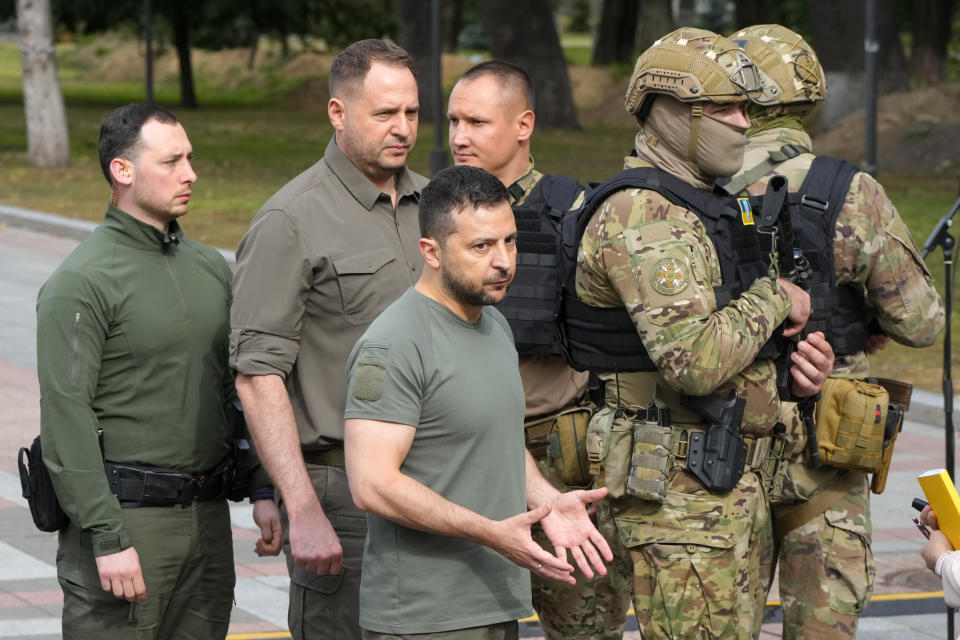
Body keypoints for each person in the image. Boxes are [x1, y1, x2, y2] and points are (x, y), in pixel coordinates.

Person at [573, 28, 836, 639]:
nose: (743, 124)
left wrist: (798, 365)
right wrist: (778, 297)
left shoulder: (705, 205)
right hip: (679, 501)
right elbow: (692, 359)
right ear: (670, 114)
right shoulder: (644, 214)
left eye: (746, 108)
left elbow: (730, 330)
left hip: (722, 491)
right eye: (723, 107)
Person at [726, 24, 946, 640]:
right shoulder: (848, 192)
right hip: (825, 446)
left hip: (715, 447)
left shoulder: (687, 189)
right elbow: (922, 321)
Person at [36, 102, 279, 640]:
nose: (190, 174)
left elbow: (233, 388)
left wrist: (264, 488)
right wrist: (107, 536)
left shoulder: (212, 268)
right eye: (171, 161)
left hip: (209, 522)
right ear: (123, 171)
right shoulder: (80, 281)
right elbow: (64, 414)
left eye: (190, 158)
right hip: (128, 523)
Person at [343, 164, 613, 638]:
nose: (504, 261)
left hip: (494, 602)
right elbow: (372, 484)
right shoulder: (394, 343)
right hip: (424, 618)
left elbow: (499, 441)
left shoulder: (495, 324)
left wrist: (549, 502)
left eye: (509, 240)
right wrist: (492, 533)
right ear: (431, 251)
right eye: (481, 246)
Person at [229, 39, 425, 639]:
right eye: (384, 114)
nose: (403, 129)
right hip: (343, 493)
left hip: (437, 480)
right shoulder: (290, 221)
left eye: (413, 113)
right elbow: (257, 377)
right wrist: (304, 509)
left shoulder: (436, 204)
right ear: (338, 113)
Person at [448, 60, 630, 640]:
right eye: (453, 121)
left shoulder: (579, 213)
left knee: (584, 626)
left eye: (476, 121)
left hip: (558, 454)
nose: (458, 136)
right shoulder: (432, 213)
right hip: (462, 457)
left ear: (523, 124)